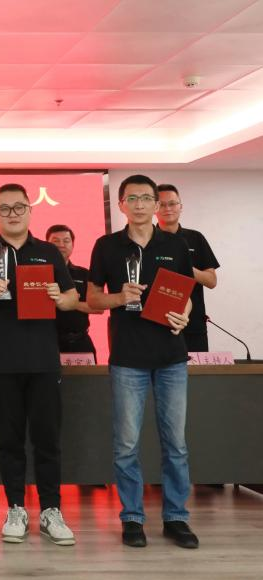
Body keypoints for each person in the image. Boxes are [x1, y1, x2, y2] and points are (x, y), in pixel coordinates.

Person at [0, 183, 78, 546]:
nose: (12, 214)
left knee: (47, 439)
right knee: (10, 440)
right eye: (5, 208)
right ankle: (15, 508)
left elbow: (73, 297)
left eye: (19, 207)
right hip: (2, 361)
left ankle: (51, 510)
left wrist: (59, 297)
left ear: (30, 210)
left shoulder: (48, 252)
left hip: (43, 360)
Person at [87, 174, 198, 549]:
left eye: (146, 198)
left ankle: (176, 517)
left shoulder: (175, 244)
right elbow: (92, 299)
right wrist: (119, 298)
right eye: (131, 198)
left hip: (171, 356)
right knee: (126, 444)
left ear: (156, 204)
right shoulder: (106, 246)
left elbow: (186, 294)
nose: (139, 205)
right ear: (120, 204)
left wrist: (184, 315)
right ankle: (132, 518)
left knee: (176, 444)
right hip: (128, 358)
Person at [156, 184, 219, 352]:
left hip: (193, 323)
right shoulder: (147, 240)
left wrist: (184, 266)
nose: (167, 208)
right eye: (162, 204)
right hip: (155, 323)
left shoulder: (195, 238)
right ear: (154, 207)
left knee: (196, 369)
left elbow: (212, 281)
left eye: (172, 203)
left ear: (180, 206)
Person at [45, 224, 103, 360]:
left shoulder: (84, 274)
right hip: (47, 343)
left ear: (73, 244)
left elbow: (98, 308)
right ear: (46, 245)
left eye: (66, 241)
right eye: (55, 241)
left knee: (85, 375)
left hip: (79, 341)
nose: (61, 245)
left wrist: (69, 302)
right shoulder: (38, 274)